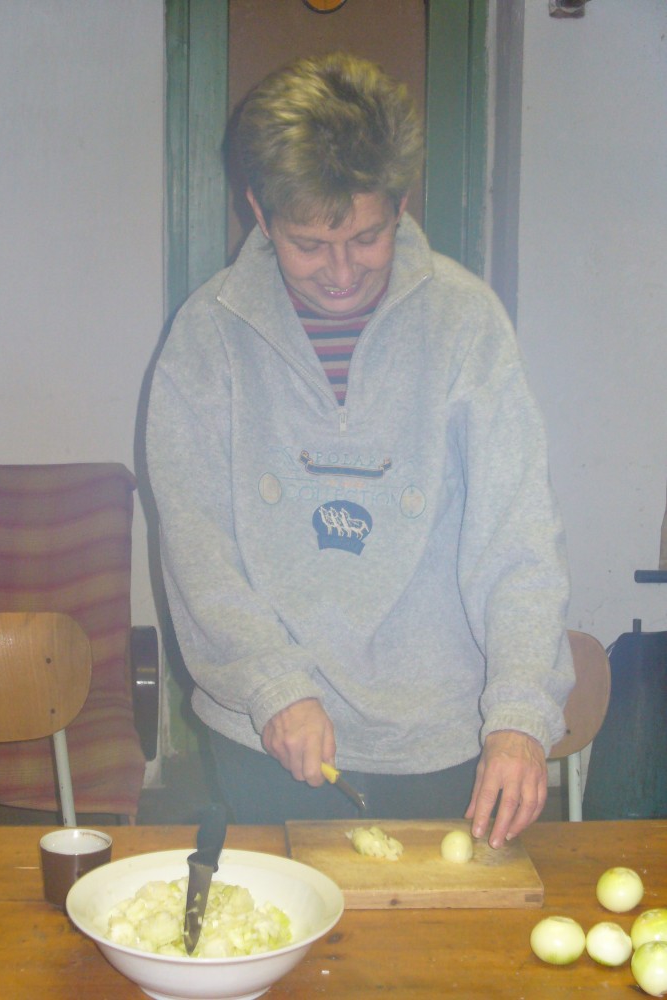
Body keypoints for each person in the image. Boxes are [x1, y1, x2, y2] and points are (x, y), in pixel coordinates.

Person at [146, 52, 574, 848]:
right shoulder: (208, 338)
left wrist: (519, 714)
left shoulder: (467, 323)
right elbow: (198, 547)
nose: (342, 273)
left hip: (444, 741)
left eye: (369, 237)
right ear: (259, 212)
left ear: (401, 204)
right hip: (268, 734)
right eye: (310, 244)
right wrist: (274, 686)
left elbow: (517, 541)